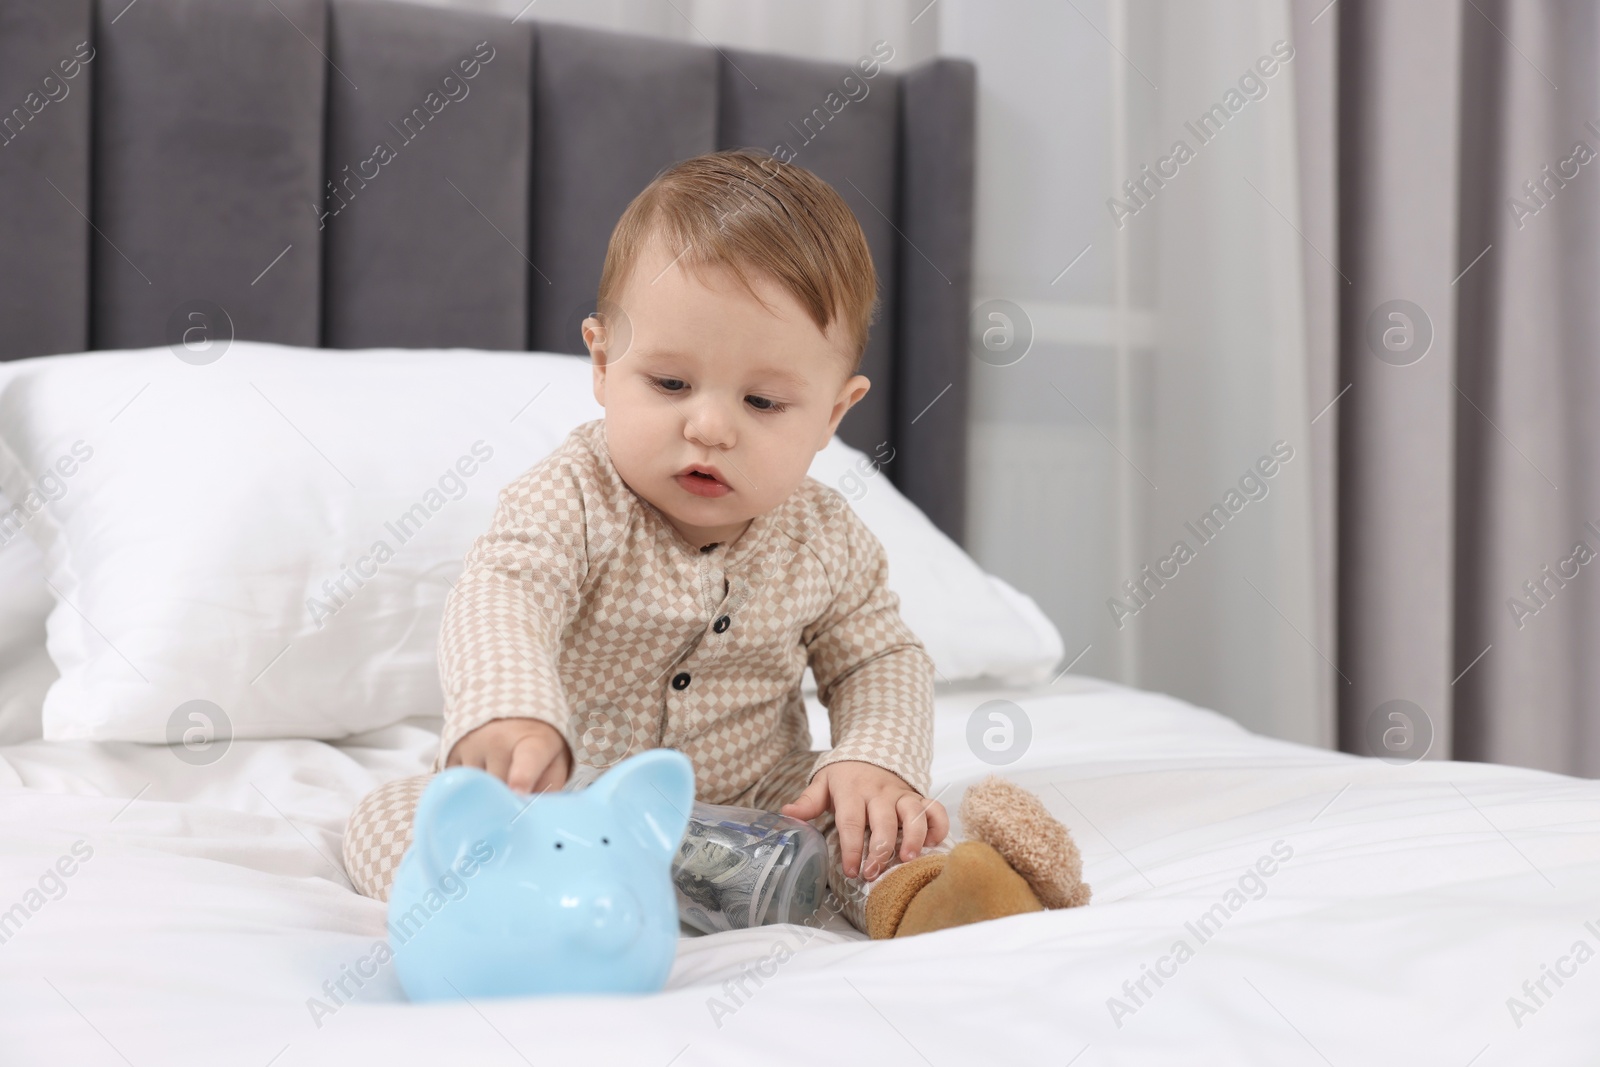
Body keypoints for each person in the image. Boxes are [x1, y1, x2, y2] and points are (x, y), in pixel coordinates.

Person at [344, 148, 1033, 936]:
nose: (709, 426)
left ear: (833, 416)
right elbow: (505, 592)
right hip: (566, 795)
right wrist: (512, 715)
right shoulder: (570, 495)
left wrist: (873, 758)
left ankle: (921, 894)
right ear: (603, 362)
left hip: (757, 800)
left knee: (865, 823)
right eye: (670, 384)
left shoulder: (826, 535)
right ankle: (506, 897)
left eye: (765, 401)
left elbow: (879, 658)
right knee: (396, 813)